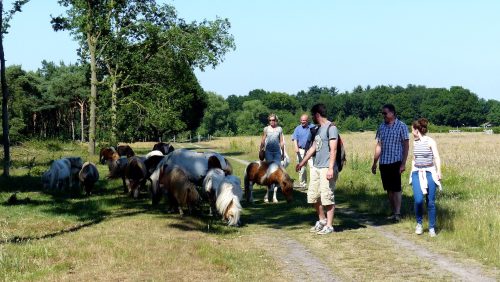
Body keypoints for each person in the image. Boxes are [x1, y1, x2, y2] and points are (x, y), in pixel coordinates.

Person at [296, 104, 339, 235]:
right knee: (313, 196)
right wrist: (302, 162)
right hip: (316, 166)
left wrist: (331, 168)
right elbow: (314, 147)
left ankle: (330, 226)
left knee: (327, 196)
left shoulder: (332, 128)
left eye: (313, 115)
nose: (311, 118)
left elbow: (334, 149)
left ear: (317, 115)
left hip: (327, 167)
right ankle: (322, 220)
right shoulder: (318, 129)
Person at [371, 104, 409, 221]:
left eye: (385, 113)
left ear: (392, 113)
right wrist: (374, 162)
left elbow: (406, 146)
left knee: (396, 188)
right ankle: (393, 212)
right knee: (388, 189)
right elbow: (378, 145)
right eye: (383, 113)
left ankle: (397, 213)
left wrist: (403, 163)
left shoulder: (401, 126)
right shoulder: (381, 127)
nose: (384, 115)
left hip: (396, 161)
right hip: (384, 162)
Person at [409, 118, 442, 237]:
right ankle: (419, 224)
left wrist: (439, 172)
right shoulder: (414, 142)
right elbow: (414, 158)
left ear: (417, 130)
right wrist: (411, 173)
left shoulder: (430, 141)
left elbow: (437, 157)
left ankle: (432, 227)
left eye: (412, 129)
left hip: (429, 172)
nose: (411, 132)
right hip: (417, 173)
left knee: (431, 201)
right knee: (418, 200)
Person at [292, 114, 314, 189]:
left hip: (311, 150)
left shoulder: (312, 127)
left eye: (304, 120)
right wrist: (297, 151)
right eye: (301, 120)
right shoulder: (297, 129)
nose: (302, 122)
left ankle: (312, 185)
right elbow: (295, 140)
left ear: (307, 120)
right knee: (302, 168)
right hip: (301, 150)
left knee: (312, 168)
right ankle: (303, 184)